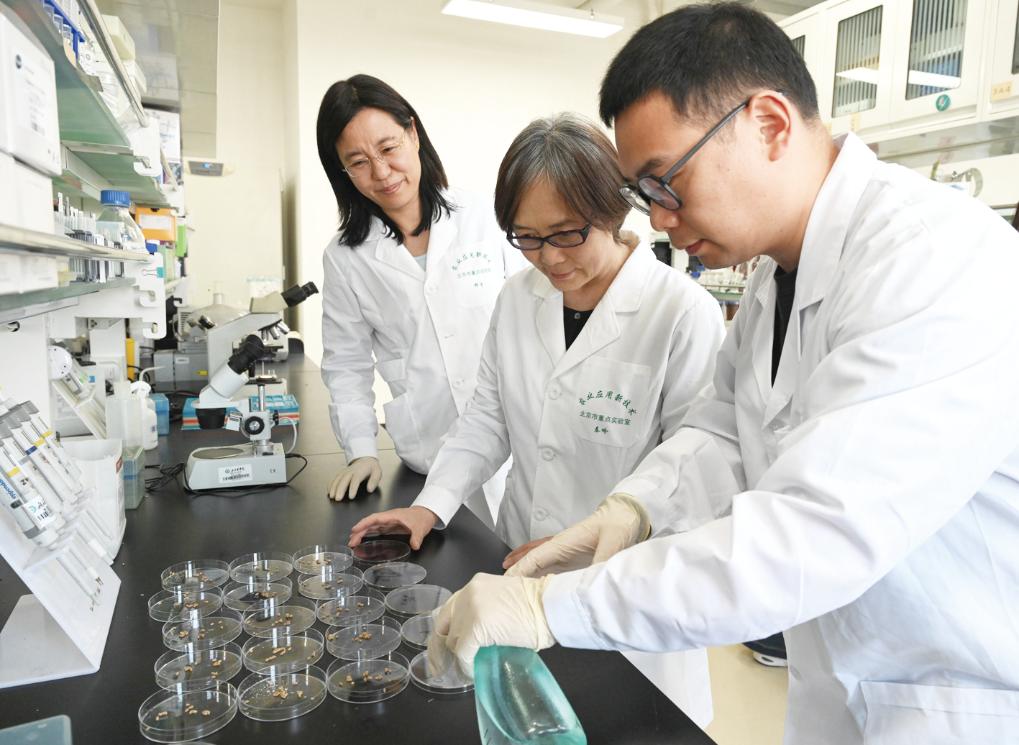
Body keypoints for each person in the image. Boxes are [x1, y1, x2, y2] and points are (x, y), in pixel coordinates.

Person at [428, 5, 1019, 745]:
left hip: (961, 698)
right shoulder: (778, 274)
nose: (658, 219)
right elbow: (724, 429)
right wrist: (633, 507)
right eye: (645, 194)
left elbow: (810, 533)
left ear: (768, 124)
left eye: (665, 182)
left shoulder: (933, 261)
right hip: (849, 685)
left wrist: (551, 607)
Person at [349, 113, 724, 723]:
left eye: (566, 234)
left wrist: (595, 538)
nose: (548, 258)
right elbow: (487, 419)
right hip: (518, 565)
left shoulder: (680, 312)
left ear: (614, 209)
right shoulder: (519, 298)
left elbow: (696, 474)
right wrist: (431, 505)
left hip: (627, 592)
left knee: (622, 722)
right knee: (527, 722)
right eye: (526, 237)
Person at [316, 75, 525, 525]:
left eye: (388, 148)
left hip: (515, 441)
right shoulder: (346, 258)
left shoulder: (485, 217)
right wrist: (361, 451)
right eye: (359, 162)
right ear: (343, 171)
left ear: (412, 133)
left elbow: (537, 317)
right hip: (429, 451)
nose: (382, 172)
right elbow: (347, 365)